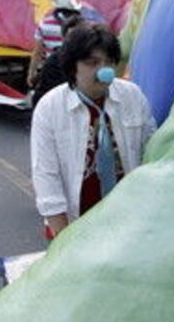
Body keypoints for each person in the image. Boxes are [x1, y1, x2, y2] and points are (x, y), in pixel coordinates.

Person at [30, 24, 155, 238]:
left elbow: (152, 154)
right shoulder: (50, 108)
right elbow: (45, 176)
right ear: (73, 67)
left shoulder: (133, 96)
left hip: (129, 221)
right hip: (75, 224)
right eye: (92, 63)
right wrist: (63, 239)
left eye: (109, 63)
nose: (104, 71)